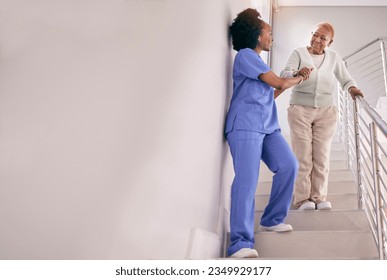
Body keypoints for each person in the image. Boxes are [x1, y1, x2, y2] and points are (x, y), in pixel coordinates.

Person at [225, 8, 307, 258]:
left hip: (267, 126)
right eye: (269, 32)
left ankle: (271, 219)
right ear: (257, 36)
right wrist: (300, 78)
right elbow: (279, 83)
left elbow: (272, 92)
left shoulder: (259, 62)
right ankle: (240, 243)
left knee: (289, 165)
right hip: (245, 125)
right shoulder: (246, 56)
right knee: (247, 182)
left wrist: (288, 80)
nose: (272, 37)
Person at [280, 22, 364, 211]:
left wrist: (352, 89)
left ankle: (318, 197)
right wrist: (297, 72)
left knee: (322, 156)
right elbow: (284, 73)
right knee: (303, 155)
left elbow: (346, 79)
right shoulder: (299, 53)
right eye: (315, 35)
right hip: (300, 109)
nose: (317, 40)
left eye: (323, 38)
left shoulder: (334, 58)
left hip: (326, 112)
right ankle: (303, 199)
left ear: (330, 42)